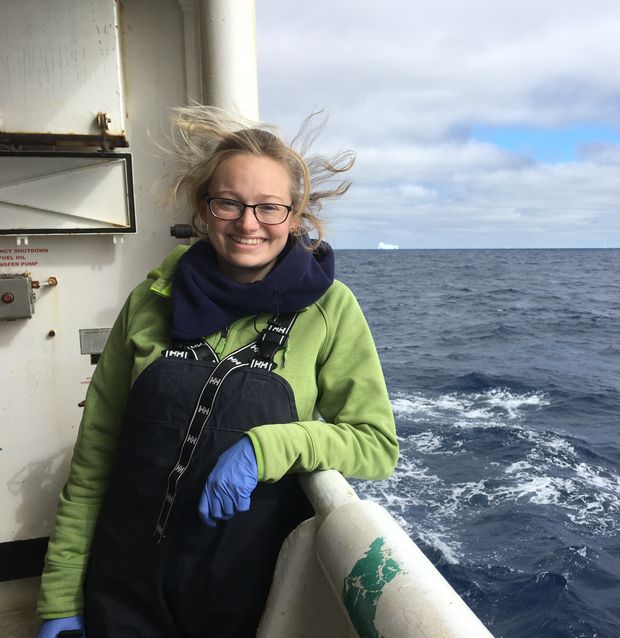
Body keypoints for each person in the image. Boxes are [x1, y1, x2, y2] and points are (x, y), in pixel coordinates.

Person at [36, 106, 398, 637]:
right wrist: (59, 597)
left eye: (269, 207)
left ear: (295, 217)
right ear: (203, 209)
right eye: (229, 203)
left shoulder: (330, 310)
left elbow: (375, 444)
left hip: (242, 602)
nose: (248, 223)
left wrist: (266, 448)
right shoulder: (150, 300)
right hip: (123, 588)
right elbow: (93, 464)